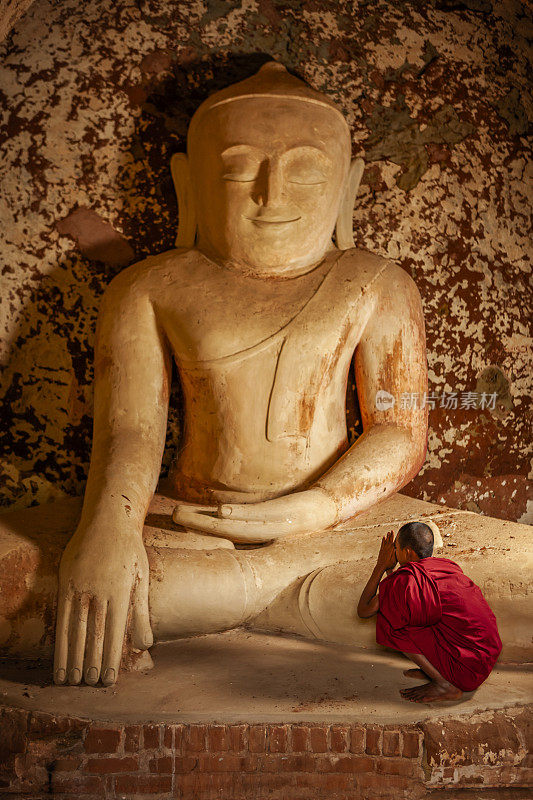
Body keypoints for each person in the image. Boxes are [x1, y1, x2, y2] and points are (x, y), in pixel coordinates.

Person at [357, 522, 502, 702]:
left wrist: (380, 565)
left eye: (396, 548)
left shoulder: (409, 579)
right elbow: (406, 592)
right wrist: (390, 570)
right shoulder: (446, 566)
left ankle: (444, 685)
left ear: (408, 552)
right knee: (401, 609)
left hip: (466, 672)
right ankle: (435, 670)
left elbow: (364, 610)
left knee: (392, 622)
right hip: (484, 658)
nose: (393, 552)